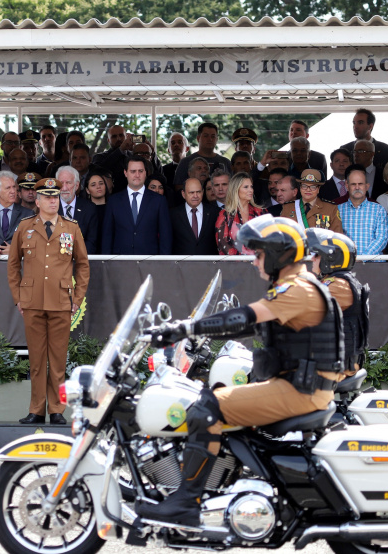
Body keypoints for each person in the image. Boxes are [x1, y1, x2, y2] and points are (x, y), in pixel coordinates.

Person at [137, 215, 343, 524]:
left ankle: (186, 502)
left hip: (301, 391)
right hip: (300, 386)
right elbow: (248, 326)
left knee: (206, 408)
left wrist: (184, 328)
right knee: (213, 395)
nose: (253, 261)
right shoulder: (296, 286)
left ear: (278, 254)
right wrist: (198, 332)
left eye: (258, 254)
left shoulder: (297, 289)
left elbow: (244, 318)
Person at [7, 179, 89, 425]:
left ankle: (56, 410)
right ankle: (36, 409)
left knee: (58, 359)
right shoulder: (25, 227)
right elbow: (13, 265)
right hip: (32, 302)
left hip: (61, 301)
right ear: (38, 200)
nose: (53, 201)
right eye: (48, 197)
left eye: (56, 197)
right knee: (36, 359)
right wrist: (18, 297)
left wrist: (77, 298)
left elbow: (83, 265)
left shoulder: (71, 228)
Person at [307, 228, 368, 376]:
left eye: (316, 255)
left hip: (336, 367)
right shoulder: (337, 281)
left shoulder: (339, 285)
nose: (312, 259)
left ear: (330, 258)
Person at [101, 158, 172, 255]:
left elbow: (165, 236)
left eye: (140, 171)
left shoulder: (159, 200)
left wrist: (163, 263)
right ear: (125, 173)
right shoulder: (113, 201)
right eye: (133, 171)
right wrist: (106, 263)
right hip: (120, 261)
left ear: (145, 173)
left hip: (150, 261)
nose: (137, 175)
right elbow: (107, 236)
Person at [340, 108, 388, 199]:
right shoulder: (345, 149)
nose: (356, 126)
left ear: (370, 126)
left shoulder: (386, 150)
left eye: (360, 122)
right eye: (354, 123)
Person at [337, 164, 388, 255]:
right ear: (347, 186)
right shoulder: (338, 210)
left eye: (360, 184)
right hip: (347, 263)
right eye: (353, 184)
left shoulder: (378, 210)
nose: (357, 187)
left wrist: (363, 257)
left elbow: (382, 238)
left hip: (373, 265)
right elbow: (335, 238)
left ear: (367, 186)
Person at [215, 172, 264, 255]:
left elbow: (269, 239)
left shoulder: (260, 212)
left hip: (258, 264)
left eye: (251, 187)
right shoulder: (225, 215)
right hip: (234, 265)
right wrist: (241, 259)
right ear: (236, 189)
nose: (250, 190)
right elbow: (222, 243)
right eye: (246, 187)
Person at [171, 123, 231, 189]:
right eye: (206, 136)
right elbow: (178, 189)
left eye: (213, 136)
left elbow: (232, 188)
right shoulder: (185, 162)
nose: (210, 139)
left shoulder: (226, 162)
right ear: (198, 138)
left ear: (217, 139)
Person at [56, 165, 99, 254]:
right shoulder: (50, 207)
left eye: (68, 183)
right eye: (61, 183)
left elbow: (92, 240)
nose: (64, 188)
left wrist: (78, 258)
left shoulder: (89, 208)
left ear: (76, 185)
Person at [171, 177, 218, 255]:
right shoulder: (173, 215)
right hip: (182, 265)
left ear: (203, 192)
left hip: (209, 264)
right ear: (183, 194)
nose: (195, 196)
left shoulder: (215, 212)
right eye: (191, 193)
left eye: (198, 192)